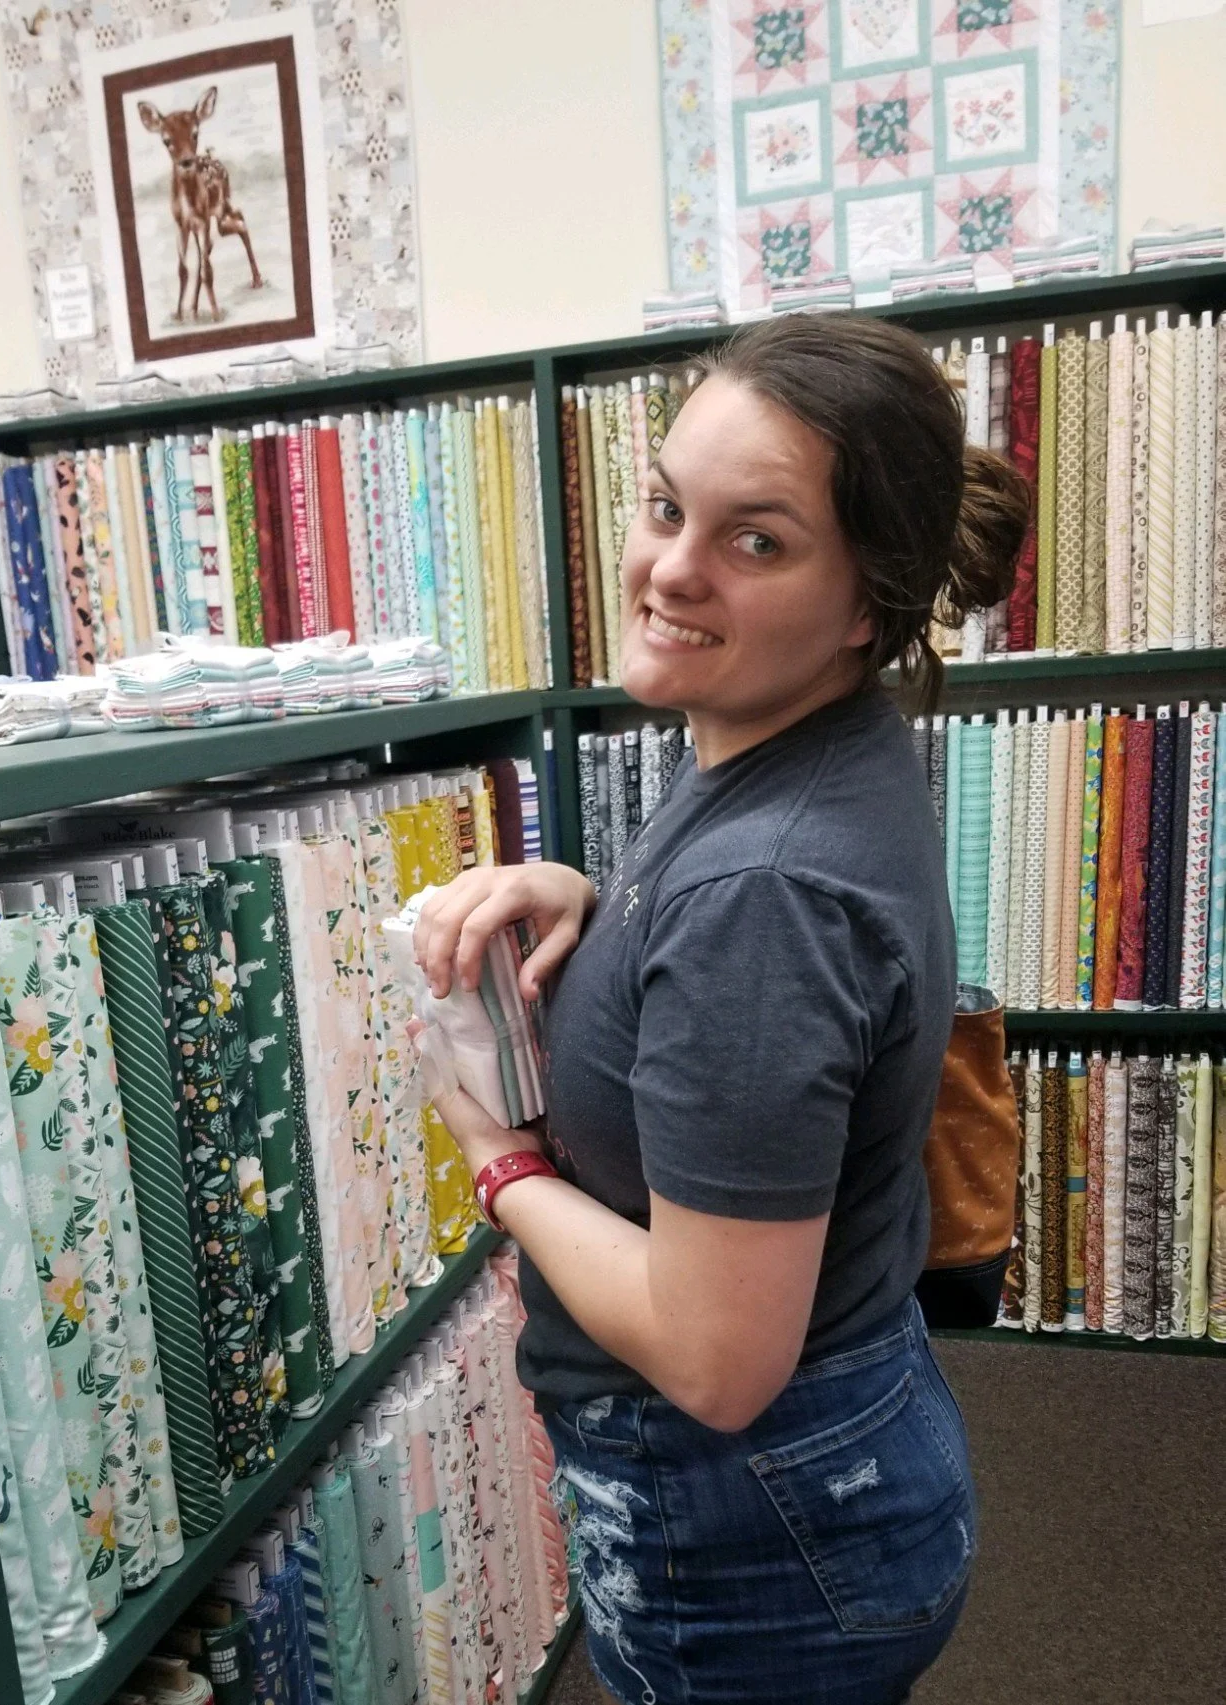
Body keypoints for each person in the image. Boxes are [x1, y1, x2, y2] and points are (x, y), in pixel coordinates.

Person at [411, 314, 1030, 1705]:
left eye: (756, 540)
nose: (669, 569)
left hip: (752, 1520)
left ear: (866, 598)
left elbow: (713, 1357)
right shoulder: (791, 746)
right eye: (664, 507)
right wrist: (590, 905)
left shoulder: (766, 885)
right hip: (831, 1472)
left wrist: (496, 1165)